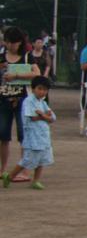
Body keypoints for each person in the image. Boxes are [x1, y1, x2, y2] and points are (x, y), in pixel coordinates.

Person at [2, 76, 54, 190]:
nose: (42, 92)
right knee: (27, 160)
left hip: (43, 136)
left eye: (45, 90)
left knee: (41, 159)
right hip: (32, 136)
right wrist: (45, 116)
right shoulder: (28, 101)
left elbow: (52, 118)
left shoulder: (43, 102)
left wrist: (43, 115)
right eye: (40, 89)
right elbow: (33, 117)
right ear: (33, 88)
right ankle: (9, 177)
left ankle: (36, 180)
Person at [2, 27, 40, 175]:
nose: (11, 46)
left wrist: (16, 75)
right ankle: (3, 168)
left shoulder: (27, 56)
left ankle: (23, 168)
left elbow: (36, 73)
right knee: (3, 135)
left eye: (14, 43)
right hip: (3, 99)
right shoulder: (1, 55)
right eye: (8, 42)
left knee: (23, 135)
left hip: (23, 99)